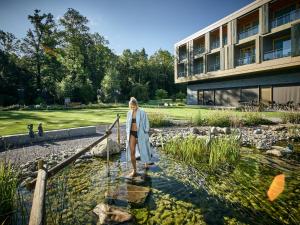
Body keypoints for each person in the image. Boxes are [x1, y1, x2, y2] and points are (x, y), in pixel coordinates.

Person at [126, 97, 152, 177]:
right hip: (132, 134)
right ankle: (134, 170)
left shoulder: (142, 112)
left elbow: (146, 123)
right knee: (132, 152)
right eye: (131, 107)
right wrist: (127, 133)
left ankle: (146, 163)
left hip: (141, 134)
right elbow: (127, 124)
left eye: (134, 106)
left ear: (137, 105)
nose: (133, 108)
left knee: (143, 149)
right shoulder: (129, 113)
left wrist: (146, 131)